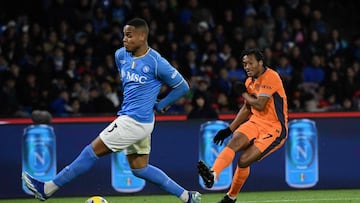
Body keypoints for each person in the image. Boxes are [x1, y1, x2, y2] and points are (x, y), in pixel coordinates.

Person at [22, 18, 201, 203]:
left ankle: (47, 189)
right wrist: (146, 98)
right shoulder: (120, 56)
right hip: (139, 120)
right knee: (140, 168)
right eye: (124, 35)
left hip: (134, 121)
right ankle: (187, 196)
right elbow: (134, 86)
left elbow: (182, 87)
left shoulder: (156, 62)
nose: (124, 39)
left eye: (129, 35)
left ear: (142, 36)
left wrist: (162, 104)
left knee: (89, 152)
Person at [197, 48, 288, 203]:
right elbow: (247, 108)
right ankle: (213, 174)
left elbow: (259, 104)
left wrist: (243, 94)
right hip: (255, 121)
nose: (247, 67)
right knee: (234, 141)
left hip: (274, 128)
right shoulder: (249, 82)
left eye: (250, 63)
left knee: (243, 160)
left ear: (260, 62)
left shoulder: (271, 77)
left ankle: (231, 197)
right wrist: (229, 129)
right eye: (244, 64)